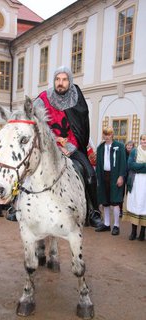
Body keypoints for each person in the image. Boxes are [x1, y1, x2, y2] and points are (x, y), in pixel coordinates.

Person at [33, 66, 102, 228]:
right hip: (48, 146)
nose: (60, 83)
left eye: (64, 80)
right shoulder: (44, 98)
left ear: (69, 81)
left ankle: (93, 211)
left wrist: (69, 147)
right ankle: (16, 204)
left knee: (91, 175)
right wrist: (54, 142)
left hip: (73, 146)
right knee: (29, 166)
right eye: (58, 79)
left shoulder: (76, 98)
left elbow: (80, 129)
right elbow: (35, 120)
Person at [95, 127, 126, 235]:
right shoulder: (100, 148)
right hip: (104, 176)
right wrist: (98, 179)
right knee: (105, 202)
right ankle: (107, 224)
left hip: (115, 176)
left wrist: (121, 176)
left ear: (112, 135)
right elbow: (98, 165)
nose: (107, 137)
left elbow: (123, 162)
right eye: (105, 135)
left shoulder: (120, 146)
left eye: (109, 135)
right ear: (103, 135)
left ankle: (116, 225)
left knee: (115, 202)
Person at [123, 134, 146, 241]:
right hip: (136, 182)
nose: (144, 141)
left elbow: (136, 166)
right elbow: (131, 165)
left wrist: (138, 166)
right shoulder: (134, 151)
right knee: (135, 204)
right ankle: (133, 232)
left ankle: (142, 233)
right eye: (142, 139)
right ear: (140, 140)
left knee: (144, 205)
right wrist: (144, 166)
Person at [119, 140, 135, 217]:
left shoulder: (134, 154)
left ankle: (129, 209)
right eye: (128, 145)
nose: (129, 147)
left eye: (130, 145)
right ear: (126, 146)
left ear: (133, 146)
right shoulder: (123, 154)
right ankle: (120, 210)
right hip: (123, 175)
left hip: (131, 176)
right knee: (121, 193)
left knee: (129, 193)